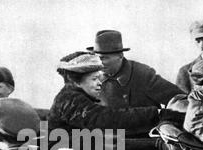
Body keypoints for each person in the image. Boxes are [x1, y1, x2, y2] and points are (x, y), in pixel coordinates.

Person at [48, 51, 179, 135]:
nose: (100, 83)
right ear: (76, 82)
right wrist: (157, 113)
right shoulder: (70, 100)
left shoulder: (73, 96)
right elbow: (109, 119)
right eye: (94, 79)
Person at [86, 30, 183, 113]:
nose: (99, 63)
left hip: (143, 133)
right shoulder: (90, 78)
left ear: (120, 56)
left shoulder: (143, 74)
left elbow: (178, 99)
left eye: (104, 58)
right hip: (108, 133)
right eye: (96, 58)